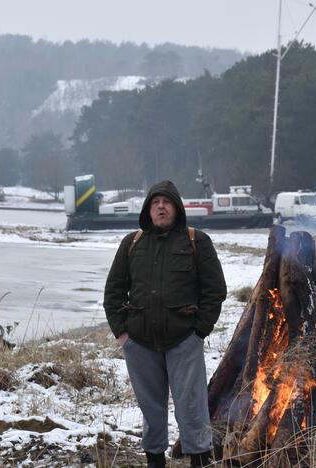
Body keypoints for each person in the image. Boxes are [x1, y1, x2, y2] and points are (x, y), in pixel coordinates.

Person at [104, 180, 227, 468]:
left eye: (167, 202)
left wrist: (199, 331)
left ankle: (200, 462)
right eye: (155, 202)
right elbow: (113, 292)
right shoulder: (132, 244)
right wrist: (123, 334)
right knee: (151, 412)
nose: (161, 207)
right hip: (140, 344)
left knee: (193, 410)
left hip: (184, 341)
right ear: (148, 209)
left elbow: (215, 291)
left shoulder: (197, 241)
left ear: (177, 208)